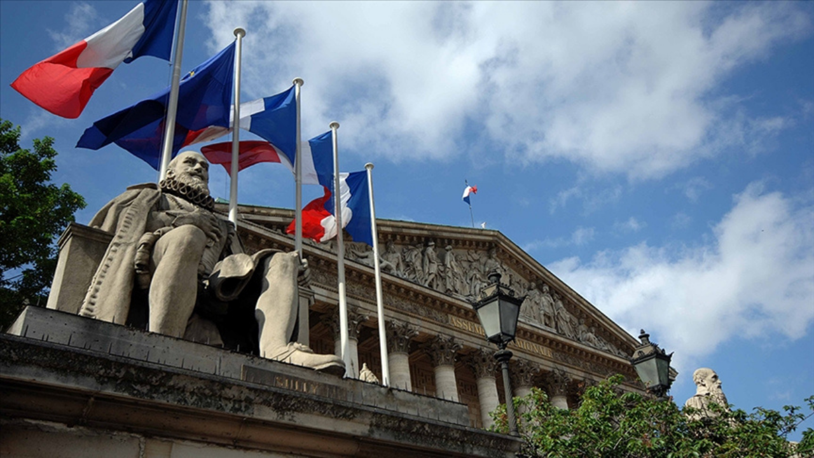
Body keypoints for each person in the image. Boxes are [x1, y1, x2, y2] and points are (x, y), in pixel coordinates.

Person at [78, 151, 343, 374]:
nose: (199, 168)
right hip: (153, 268)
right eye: (190, 163)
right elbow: (119, 227)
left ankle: (277, 351)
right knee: (188, 236)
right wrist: (184, 221)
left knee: (283, 260)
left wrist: (292, 277)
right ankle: (163, 343)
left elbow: (238, 267)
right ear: (170, 173)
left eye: (204, 167)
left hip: (211, 289)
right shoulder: (151, 198)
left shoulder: (223, 225)